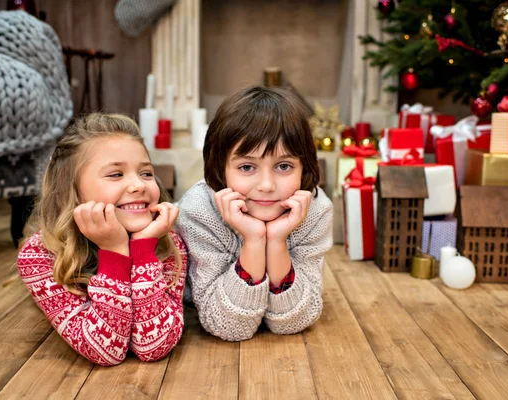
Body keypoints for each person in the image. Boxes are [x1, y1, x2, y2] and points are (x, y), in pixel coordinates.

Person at [17, 113, 187, 366]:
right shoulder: (39, 255)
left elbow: (154, 346)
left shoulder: (167, 241)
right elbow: (105, 352)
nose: (138, 185)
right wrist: (114, 252)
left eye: (146, 173)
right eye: (116, 174)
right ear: (72, 190)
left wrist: (143, 249)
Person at [176, 86, 333, 341]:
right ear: (220, 167)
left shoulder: (315, 210)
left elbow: (295, 321)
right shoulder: (199, 211)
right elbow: (227, 326)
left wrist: (277, 241)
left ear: (304, 167)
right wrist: (254, 240)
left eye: (284, 166)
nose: (267, 185)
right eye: (247, 166)